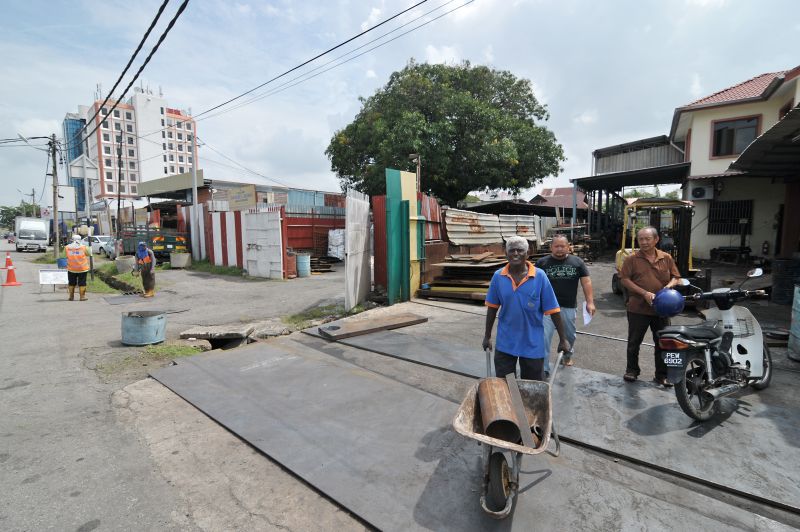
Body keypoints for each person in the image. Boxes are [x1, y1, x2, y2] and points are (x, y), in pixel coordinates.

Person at [482, 236, 570, 381]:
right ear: (506, 253)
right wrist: (487, 336)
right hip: (506, 342)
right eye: (512, 250)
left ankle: (526, 404)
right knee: (506, 385)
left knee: (532, 385)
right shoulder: (498, 277)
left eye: (520, 250)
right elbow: (492, 308)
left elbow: (553, 309)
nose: (515, 253)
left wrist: (563, 339)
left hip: (532, 343)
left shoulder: (540, 277)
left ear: (527, 254)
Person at [620, 226, 681, 387]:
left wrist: (669, 287)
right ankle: (632, 370)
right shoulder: (631, 259)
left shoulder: (666, 258)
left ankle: (662, 375)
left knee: (663, 342)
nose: (644, 242)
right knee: (634, 342)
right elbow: (624, 279)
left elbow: (676, 277)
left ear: (656, 240)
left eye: (647, 239)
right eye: (641, 239)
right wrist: (644, 293)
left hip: (662, 308)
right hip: (638, 308)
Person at [536, 234, 595, 374]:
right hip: (547, 309)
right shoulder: (542, 263)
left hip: (568, 306)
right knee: (544, 337)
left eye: (563, 246)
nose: (560, 249)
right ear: (551, 247)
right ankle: (544, 368)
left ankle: (567, 356)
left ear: (569, 247)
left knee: (570, 336)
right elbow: (534, 283)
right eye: (556, 246)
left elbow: (586, 282)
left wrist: (590, 302)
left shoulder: (577, 262)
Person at [65, 234, 91, 301]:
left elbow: (64, 255)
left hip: (71, 269)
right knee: (82, 282)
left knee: (71, 282)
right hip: (82, 268)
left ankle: (71, 297)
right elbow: (90, 253)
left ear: (72, 239)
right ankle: (82, 297)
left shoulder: (67, 247)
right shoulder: (84, 247)